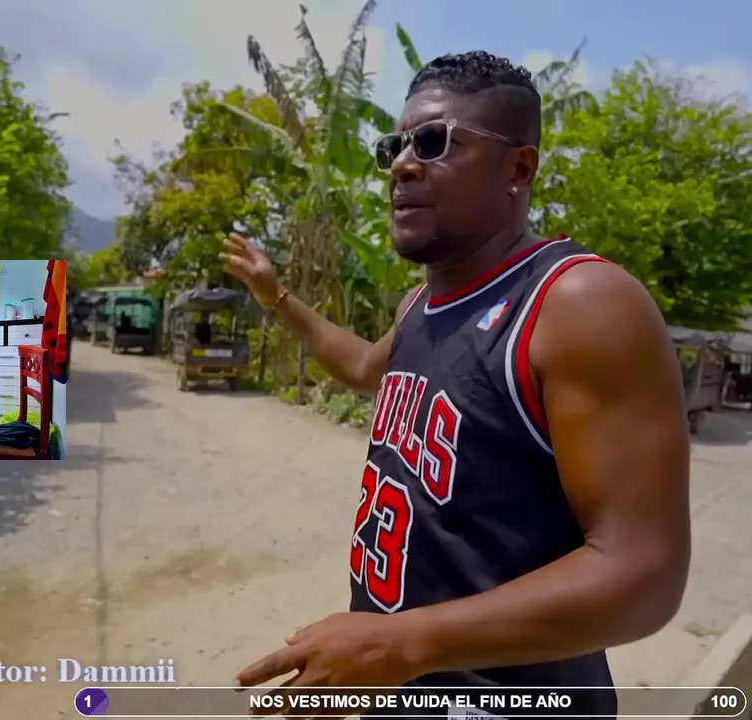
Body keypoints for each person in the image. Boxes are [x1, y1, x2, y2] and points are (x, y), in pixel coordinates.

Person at [222, 51, 690, 718]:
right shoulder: (421, 306)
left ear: (518, 168)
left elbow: (644, 575)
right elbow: (362, 368)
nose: (403, 165)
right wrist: (276, 297)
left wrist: (400, 643)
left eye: (435, 142)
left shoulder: (579, 303)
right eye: (395, 147)